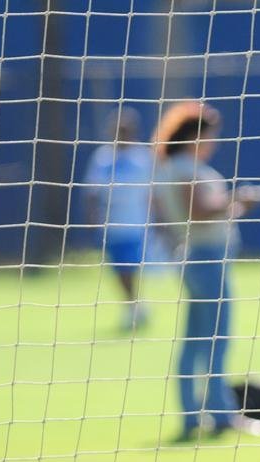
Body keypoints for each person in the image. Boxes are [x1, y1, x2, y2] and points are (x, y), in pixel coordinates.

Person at [152, 101, 260, 442]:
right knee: (216, 340)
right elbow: (198, 210)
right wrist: (238, 201)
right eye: (210, 136)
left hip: (197, 256)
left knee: (196, 341)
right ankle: (219, 415)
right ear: (195, 135)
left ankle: (193, 416)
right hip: (205, 259)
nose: (213, 143)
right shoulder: (185, 166)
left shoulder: (172, 166)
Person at [82, 107, 156, 330]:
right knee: (120, 268)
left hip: (136, 221)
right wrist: (92, 217)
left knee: (130, 266)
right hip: (112, 222)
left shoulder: (143, 157)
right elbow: (92, 190)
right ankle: (135, 306)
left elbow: (155, 189)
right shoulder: (103, 157)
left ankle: (134, 308)